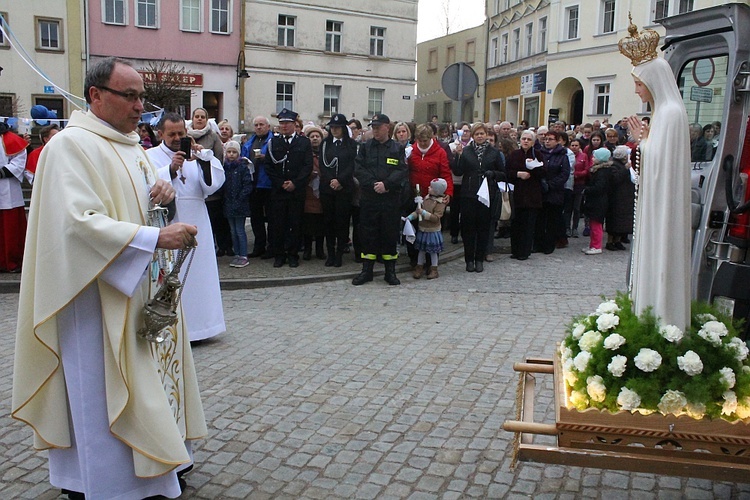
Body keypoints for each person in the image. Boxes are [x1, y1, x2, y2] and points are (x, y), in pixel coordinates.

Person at [12, 57, 206, 499]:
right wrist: (155, 236)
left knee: (148, 385)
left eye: (142, 97)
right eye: (130, 95)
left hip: (136, 289)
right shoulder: (71, 147)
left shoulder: (131, 146)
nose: (141, 107)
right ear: (96, 96)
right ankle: (100, 483)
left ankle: (155, 467)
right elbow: (77, 225)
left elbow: (132, 200)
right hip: (93, 299)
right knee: (99, 397)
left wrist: (162, 190)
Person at [624, 27, 691, 330]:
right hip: (655, 206)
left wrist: (643, 142)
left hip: (665, 211)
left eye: (639, 83)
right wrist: (646, 141)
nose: (637, 90)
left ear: (653, 80)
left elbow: (664, 165)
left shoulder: (671, 113)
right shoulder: (663, 113)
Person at [148, 112, 227, 342]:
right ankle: (171, 327)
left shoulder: (197, 155)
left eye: (181, 133)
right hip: (168, 223)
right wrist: (170, 170)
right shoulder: (150, 156)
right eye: (171, 134)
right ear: (160, 134)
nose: (176, 138)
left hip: (197, 220)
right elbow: (146, 185)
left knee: (199, 277)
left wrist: (203, 158)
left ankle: (203, 328)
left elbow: (212, 186)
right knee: (173, 275)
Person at [351, 113, 408, 286]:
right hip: (370, 198)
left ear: (387, 127)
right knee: (368, 234)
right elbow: (358, 169)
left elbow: (402, 170)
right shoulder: (366, 147)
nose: (375, 130)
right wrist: (373, 184)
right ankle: (366, 270)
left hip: (390, 199)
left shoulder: (396, 148)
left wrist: (386, 184)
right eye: (373, 127)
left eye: (378, 127)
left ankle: (390, 271)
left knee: (389, 234)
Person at [452, 122, 506, 272]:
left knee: (483, 228)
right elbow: (458, 171)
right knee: (468, 228)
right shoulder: (467, 151)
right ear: (473, 136)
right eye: (477, 134)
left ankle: (479, 259)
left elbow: (503, 173)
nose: (480, 136)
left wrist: (493, 174)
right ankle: (469, 259)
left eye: (482, 134)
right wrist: (457, 156)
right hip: (468, 193)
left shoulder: (494, 152)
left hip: (486, 194)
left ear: (486, 135)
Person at [265, 108, 313, 268]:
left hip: (296, 191)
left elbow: (307, 166)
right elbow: (269, 166)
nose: (284, 126)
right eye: (281, 123)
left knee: (295, 224)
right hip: (279, 191)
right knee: (278, 224)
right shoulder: (274, 142)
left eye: (287, 123)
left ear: (294, 124)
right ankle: (279, 255)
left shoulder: (303, 142)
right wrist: (280, 183)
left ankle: (293, 255)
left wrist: (295, 183)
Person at [320, 114, 356, 267]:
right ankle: (331, 252)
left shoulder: (352, 145)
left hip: (344, 188)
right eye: (332, 127)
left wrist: (340, 180)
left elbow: (352, 165)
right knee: (328, 222)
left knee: (342, 222)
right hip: (328, 188)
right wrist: (330, 180)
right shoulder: (325, 144)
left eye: (337, 127)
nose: (334, 130)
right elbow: (323, 164)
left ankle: (340, 252)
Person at [507, 130, 545, 260]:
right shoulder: (514, 155)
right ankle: (515, 251)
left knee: (528, 226)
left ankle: (525, 252)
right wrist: (518, 174)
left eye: (529, 139)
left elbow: (544, 173)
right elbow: (506, 172)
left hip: (532, 196)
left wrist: (533, 168)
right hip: (517, 194)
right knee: (516, 225)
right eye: (524, 139)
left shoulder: (538, 155)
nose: (526, 141)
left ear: (533, 142)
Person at [241, 116, 274, 258]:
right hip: (253, 184)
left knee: (272, 218)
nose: (259, 127)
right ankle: (259, 246)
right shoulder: (249, 142)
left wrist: (266, 158)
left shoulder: (273, 141)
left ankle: (272, 246)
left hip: (268, 184)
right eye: (256, 125)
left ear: (268, 126)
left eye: (261, 124)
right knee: (256, 218)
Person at [535, 130, 570, 255]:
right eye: (546, 139)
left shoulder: (562, 156)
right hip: (540, 191)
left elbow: (564, 174)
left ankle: (549, 244)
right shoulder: (539, 154)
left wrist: (550, 185)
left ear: (557, 141)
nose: (548, 142)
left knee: (552, 220)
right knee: (540, 220)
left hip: (555, 192)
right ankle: (538, 243)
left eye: (550, 139)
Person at [0, 122, 28, 273]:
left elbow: (19, 162)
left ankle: (12, 261)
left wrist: (3, 172)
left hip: (8, 188)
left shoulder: (12, 140)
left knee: (10, 229)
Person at [407, 178, 448, 279]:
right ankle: (419, 266)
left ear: (436, 191)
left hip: (432, 230)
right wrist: (410, 217)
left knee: (433, 252)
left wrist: (424, 213)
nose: (428, 187)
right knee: (421, 250)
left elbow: (435, 218)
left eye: (431, 187)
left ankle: (434, 268)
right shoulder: (426, 198)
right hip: (423, 229)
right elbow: (418, 211)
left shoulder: (440, 203)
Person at [222, 140, 254, 268]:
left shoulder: (242, 167)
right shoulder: (225, 168)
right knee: (232, 230)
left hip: (240, 203)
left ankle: (243, 254)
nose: (231, 154)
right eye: (229, 152)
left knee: (240, 230)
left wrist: (240, 198)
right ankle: (237, 253)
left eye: (234, 152)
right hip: (228, 203)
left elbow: (247, 185)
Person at [581, 148, 614, 255]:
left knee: (596, 225)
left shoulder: (603, 172)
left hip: (598, 201)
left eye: (594, 157)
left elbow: (599, 187)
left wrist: (587, 190)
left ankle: (596, 245)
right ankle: (593, 244)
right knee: (593, 224)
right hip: (595, 201)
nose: (592, 158)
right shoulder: (598, 170)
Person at [302, 125, 326, 261]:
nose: (315, 139)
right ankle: (307, 249)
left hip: (322, 193)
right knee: (308, 224)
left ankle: (319, 249)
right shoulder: (305, 154)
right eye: (312, 137)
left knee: (320, 224)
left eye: (317, 136)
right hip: (308, 192)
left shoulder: (325, 153)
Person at [605, 145, 635, 251]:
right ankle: (610, 241)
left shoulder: (623, 165)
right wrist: (625, 169)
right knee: (614, 220)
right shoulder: (614, 166)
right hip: (616, 197)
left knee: (622, 221)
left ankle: (617, 240)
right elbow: (615, 180)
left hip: (624, 197)